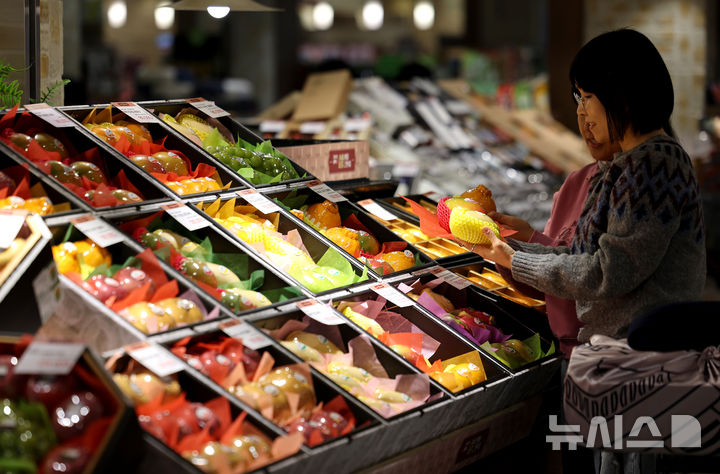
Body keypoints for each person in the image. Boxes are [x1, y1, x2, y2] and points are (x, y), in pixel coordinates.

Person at [467, 29, 706, 347]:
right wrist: (507, 249)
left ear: (621, 95)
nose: (581, 111)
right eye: (578, 97)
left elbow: (609, 271)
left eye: (588, 96)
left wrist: (515, 259)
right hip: (613, 349)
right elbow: (581, 257)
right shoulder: (623, 164)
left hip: (642, 356)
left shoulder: (656, 162)